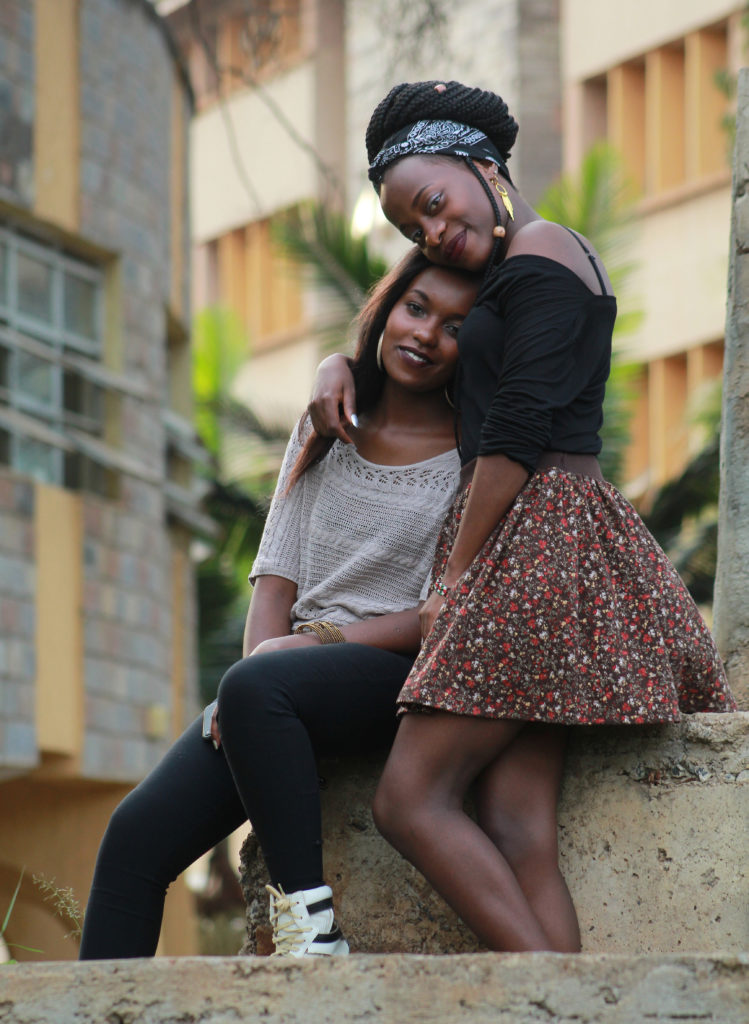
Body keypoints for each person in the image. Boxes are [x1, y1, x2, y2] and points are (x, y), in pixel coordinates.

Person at [308, 80, 737, 954]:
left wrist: (462, 576)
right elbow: (413, 337)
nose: (430, 231)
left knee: (409, 799)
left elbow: (514, 432)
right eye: (410, 228)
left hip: (532, 540)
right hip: (549, 539)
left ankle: (547, 1000)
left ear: (481, 165)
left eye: (431, 203)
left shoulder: (541, 250)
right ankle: (572, 1005)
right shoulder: (514, 265)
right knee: (512, 818)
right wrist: (334, 362)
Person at [78, 249, 480, 960]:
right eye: (416, 309)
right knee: (132, 841)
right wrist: (251, 680)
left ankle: (308, 928)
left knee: (259, 683)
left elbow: (435, 615)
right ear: (387, 310)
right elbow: (276, 579)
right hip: (279, 682)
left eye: (455, 326)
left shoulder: (470, 456)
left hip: (391, 672)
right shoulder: (328, 423)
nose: (426, 334)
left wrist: (308, 647)